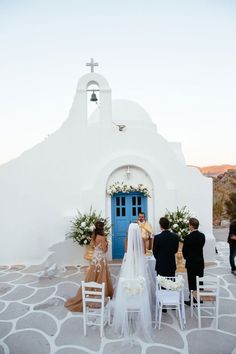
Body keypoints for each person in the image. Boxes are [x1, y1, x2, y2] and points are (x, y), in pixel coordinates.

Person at [112, 223, 152, 339]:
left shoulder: (126, 240)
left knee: (128, 282)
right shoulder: (142, 239)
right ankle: (139, 303)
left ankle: (129, 302)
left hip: (130, 262)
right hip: (139, 262)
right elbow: (144, 252)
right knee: (140, 282)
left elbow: (126, 252)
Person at [64, 221, 113, 312]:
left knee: (93, 277)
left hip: (95, 261)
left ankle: (90, 292)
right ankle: (99, 295)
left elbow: (94, 247)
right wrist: (107, 244)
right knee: (101, 278)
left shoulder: (93, 237)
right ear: (102, 229)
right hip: (101, 260)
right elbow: (104, 250)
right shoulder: (102, 238)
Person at [182, 217, 205, 306]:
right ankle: (199, 298)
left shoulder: (188, 237)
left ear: (191, 226)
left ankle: (192, 299)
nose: (188, 226)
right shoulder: (202, 236)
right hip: (199, 261)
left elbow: (184, 252)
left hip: (191, 262)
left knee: (192, 281)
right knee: (199, 280)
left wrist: (187, 257)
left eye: (189, 224)